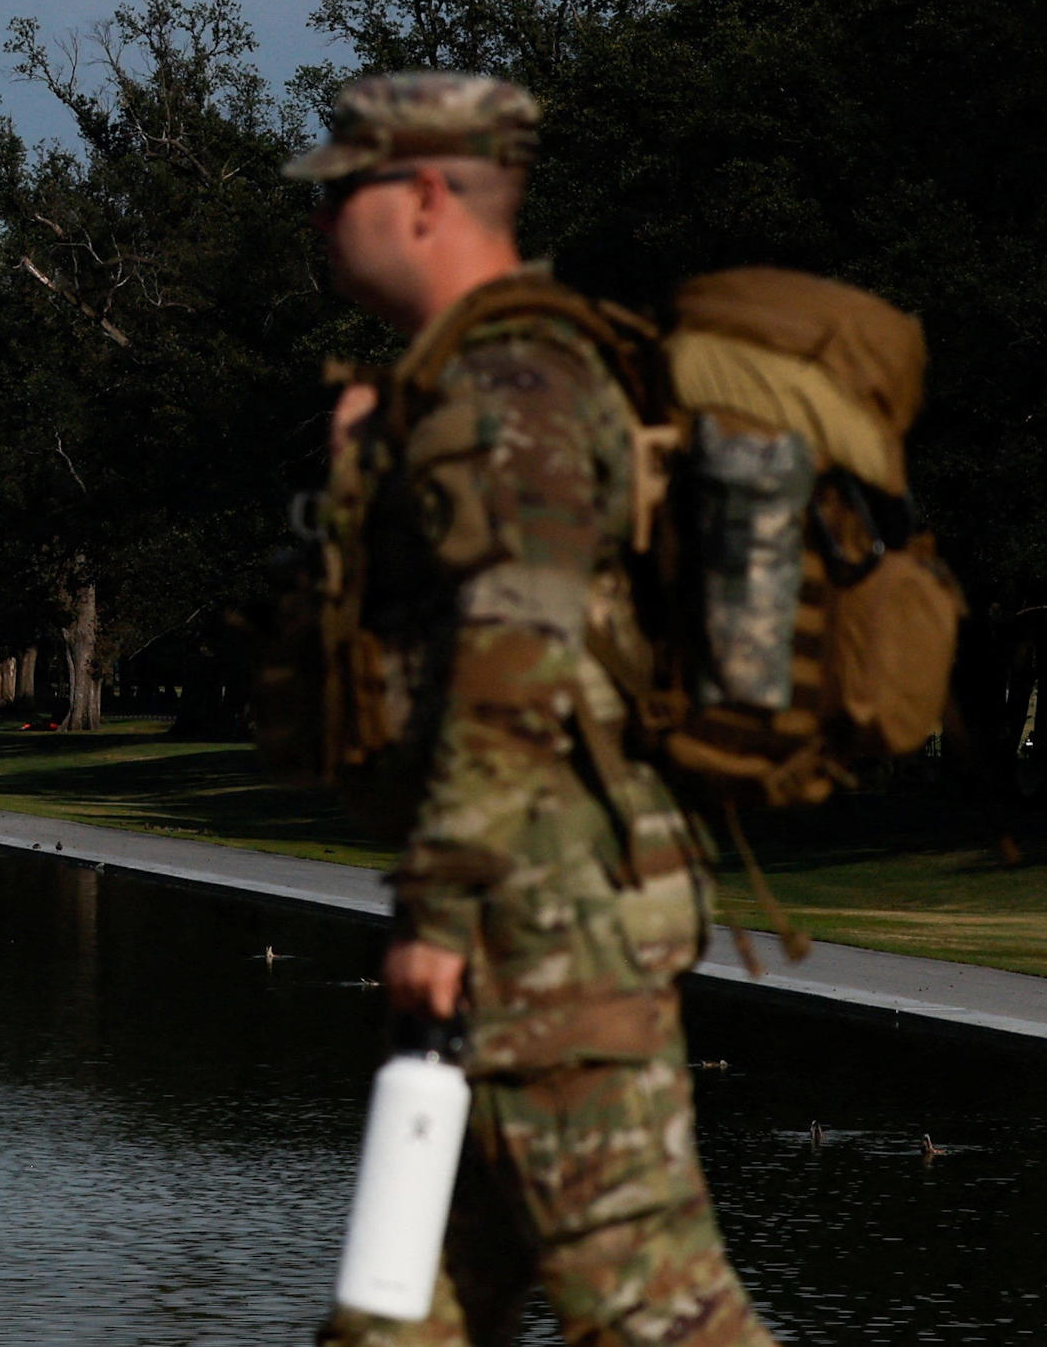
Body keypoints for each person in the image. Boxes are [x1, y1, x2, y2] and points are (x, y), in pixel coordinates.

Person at [293, 72, 771, 1347]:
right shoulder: (471, 384)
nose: (324, 217)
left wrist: (442, 902)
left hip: (549, 936)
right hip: (514, 923)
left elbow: (518, 655)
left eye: (343, 191)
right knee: (394, 1321)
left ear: (426, 195)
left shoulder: (511, 387)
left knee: (661, 1316)